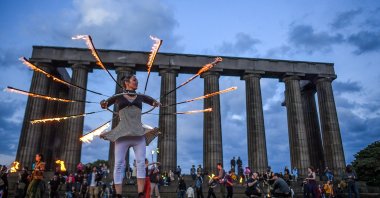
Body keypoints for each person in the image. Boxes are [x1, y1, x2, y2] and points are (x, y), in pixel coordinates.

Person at [100, 74, 160, 198]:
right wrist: (103, 104)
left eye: (137, 80)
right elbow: (105, 104)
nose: (136, 81)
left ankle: (141, 193)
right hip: (122, 134)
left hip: (138, 134)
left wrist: (155, 103)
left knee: (141, 163)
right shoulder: (118, 97)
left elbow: (152, 102)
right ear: (127, 82)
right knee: (118, 164)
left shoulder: (141, 97)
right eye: (134, 80)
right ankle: (118, 194)